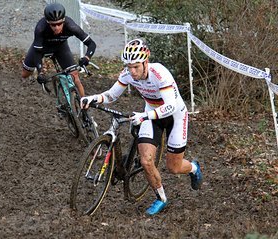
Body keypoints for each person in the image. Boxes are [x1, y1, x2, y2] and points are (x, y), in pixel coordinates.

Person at [80, 39, 203, 215]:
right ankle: (161, 198)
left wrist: (145, 116)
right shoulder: (128, 73)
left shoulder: (160, 74)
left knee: (173, 167)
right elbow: (112, 95)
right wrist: (94, 98)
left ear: (146, 62)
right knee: (146, 161)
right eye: (129, 67)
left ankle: (193, 168)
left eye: (136, 66)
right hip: (151, 115)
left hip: (174, 117)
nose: (132, 71)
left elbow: (171, 106)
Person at [21, 2, 96, 97]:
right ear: (48, 23)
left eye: (59, 24)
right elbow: (37, 52)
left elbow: (91, 44)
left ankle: (84, 106)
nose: (57, 27)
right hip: (42, 48)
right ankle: (36, 71)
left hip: (60, 47)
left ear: (63, 21)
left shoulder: (71, 26)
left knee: (75, 76)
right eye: (53, 25)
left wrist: (87, 57)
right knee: (25, 74)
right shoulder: (40, 28)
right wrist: (40, 72)